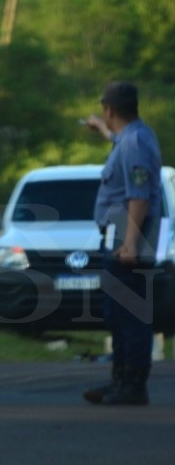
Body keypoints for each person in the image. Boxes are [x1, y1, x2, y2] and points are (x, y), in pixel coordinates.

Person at [83, 82, 161, 406]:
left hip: (129, 234)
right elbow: (120, 142)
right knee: (116, 312)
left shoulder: (135, 142)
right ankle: (119, 380)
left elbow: (139, 196)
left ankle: (133, 385)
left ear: (110, 108)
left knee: (130, 313)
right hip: (120, 232)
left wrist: (130, 243)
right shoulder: (131, 138)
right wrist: (102, 129)